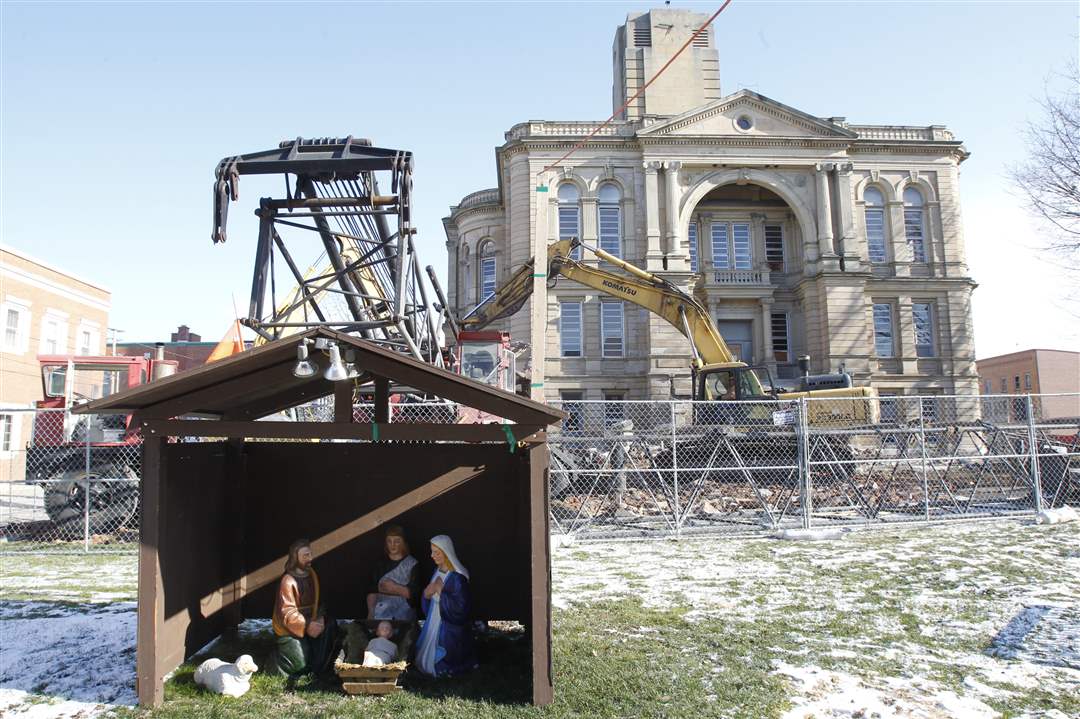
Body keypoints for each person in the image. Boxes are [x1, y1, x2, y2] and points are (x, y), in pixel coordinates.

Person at [271, 539, 337, 682]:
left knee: (330, 625)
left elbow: (319, 601)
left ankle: (320, 667)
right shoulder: (287, 581)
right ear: (296, 558)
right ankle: (276, 662)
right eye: (305, 556)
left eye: (310, 554)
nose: (310, 559)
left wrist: (319, 618)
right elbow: (287, 613)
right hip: (291, 629)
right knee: (299, 663)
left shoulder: (312, 575)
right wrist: (307, 625)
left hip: (311, 621)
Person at [415, 535, 478, 677]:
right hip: (434, 618)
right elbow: (429, 597)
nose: (432, 556)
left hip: (448, 624)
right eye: (432, 552)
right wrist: (426, 594)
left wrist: (441, 591)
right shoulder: (436, 571)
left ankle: (445, 669)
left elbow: (461, 609)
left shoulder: (457, 578)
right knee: (424, 654)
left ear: (446, 552)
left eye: (437, 552)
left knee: (446, 646)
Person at [367, 524, 420, 621]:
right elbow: (372, 589)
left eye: (397, 541)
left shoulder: (412, 564)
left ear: (403, 542)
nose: (392, 545)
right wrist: (371, 612)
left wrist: (395, 587)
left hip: (404, 613)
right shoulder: (380, 563)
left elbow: (413, 595)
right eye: (389, 541)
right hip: (380, 612)